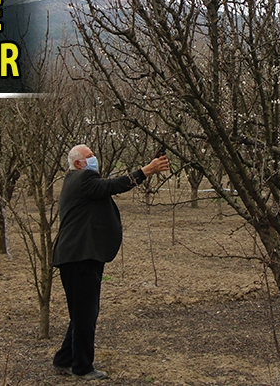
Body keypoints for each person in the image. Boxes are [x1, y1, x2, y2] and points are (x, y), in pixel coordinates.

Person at [52, 144, 170, 380]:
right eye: (90, 156)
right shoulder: (83, 179)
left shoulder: (77, 181)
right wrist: (146, 170)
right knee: (86, 313)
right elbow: (113, 186)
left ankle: (64, 359)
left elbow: (105, 187)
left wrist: (148, 166)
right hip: (81, 256)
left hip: (76, 256)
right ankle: (82, 366)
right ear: (78, 163)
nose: (94, 159)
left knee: (80, 312)